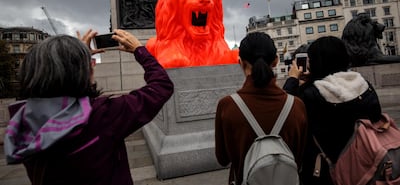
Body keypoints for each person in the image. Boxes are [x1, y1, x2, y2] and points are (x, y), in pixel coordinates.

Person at [3, 29, 174, 185]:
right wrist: (139, 50)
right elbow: (161, 86)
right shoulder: (102, 116)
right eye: (89, 66)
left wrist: (79, 60)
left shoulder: (22, 122)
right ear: (83, 73)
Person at [283, 36, 382, 185]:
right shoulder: (365, 86)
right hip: (368, 168)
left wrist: (292, 79)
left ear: (317, 62)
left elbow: (287, 110)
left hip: (326, 174)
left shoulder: (310, 94)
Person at [215, 32, 308, 185]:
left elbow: (222, 159)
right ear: (276, 61)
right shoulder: (297, 106)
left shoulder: (227, 106)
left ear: (241, 63)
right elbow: (299, 158)